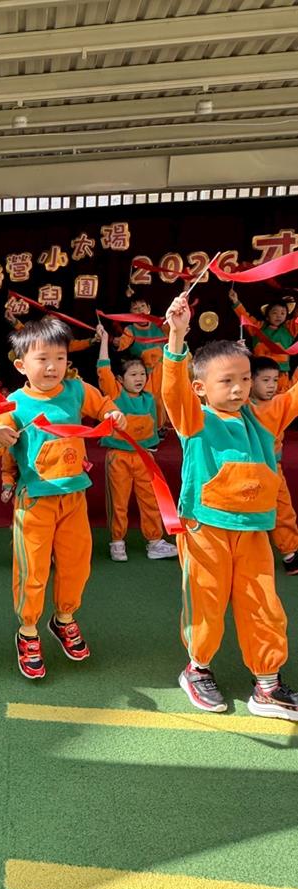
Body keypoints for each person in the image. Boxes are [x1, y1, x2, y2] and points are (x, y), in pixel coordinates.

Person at [162, 293, 298, 720]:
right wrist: (177, 337)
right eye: (227, 381)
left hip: (254, 529)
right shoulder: (195, 418)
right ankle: (197, 668)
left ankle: (268, 685)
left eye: (244, 378)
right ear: (200, 388)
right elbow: (173, 390)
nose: (239, 388)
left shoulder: (262, 418)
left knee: (262, 603)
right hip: (206, 528)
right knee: (206, 601)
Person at [0, 316, 126, 681]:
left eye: (60, 358)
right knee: (33, 570)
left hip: (74, 498)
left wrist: (112, 412)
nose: (52, 367)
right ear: (21, 365)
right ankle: (28, 630)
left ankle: (64, 618)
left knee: (76, 565)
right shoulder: (14, 404)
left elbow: (103, 404)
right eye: (42, 359)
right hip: (34, 503)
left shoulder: (76, 390)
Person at [96, 324, 177, 562]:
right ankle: (117, 541)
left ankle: (154, 541)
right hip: (118, 457)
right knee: (119, 502)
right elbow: (103, 369)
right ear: (120, 380)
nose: (139, 378)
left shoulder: (150, 397)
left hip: (144, 457)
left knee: (150, 499)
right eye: (133, 375)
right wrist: (104, 340)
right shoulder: (115, 395)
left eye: (142, 374)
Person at [249, 355, 298, 574]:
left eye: (275, 380)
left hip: (273, 470)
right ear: (249, 381)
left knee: (283, 510)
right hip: (244, 472)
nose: (272, 385)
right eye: (265, 380)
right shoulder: (238, 405)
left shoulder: (280, 405)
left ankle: (290, 553)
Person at [229, 289, 298, 391]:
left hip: (281, 375)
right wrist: (235, 301)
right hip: (260, 373)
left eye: (283, 313)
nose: (279, 316)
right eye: (275, 313)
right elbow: (245, 317)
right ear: (267, 316)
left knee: (281, 398)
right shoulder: (258, 327)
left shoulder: (289, 329)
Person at [112, 294, 169, 372]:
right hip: (144, 374)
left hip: (165, 370)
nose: (140, 310)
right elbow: (122, 343)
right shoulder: (130, 330)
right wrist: (116, 343)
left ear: (149, 308)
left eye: (143, 306)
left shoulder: (160, 323)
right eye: (135, 308)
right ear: (131, 313)